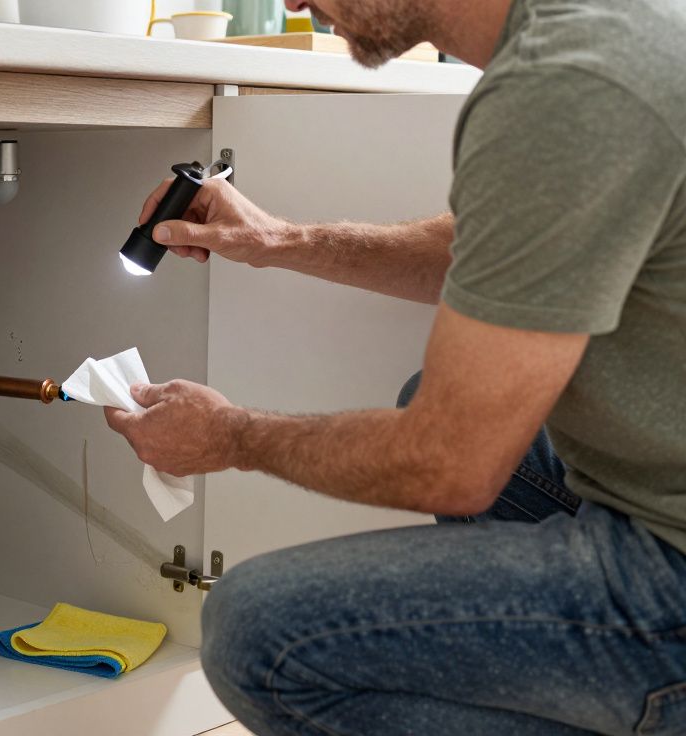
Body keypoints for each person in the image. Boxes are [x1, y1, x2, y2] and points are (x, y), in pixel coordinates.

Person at [103, 0, 686, 733]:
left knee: (258, 633)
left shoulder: (568, 84)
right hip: (660, 494)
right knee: (436, 403)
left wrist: (231, 437)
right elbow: (491, 251)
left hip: (673, 566)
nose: (290, 4)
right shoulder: (591, 29)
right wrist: (283, 240)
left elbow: (450, 464)